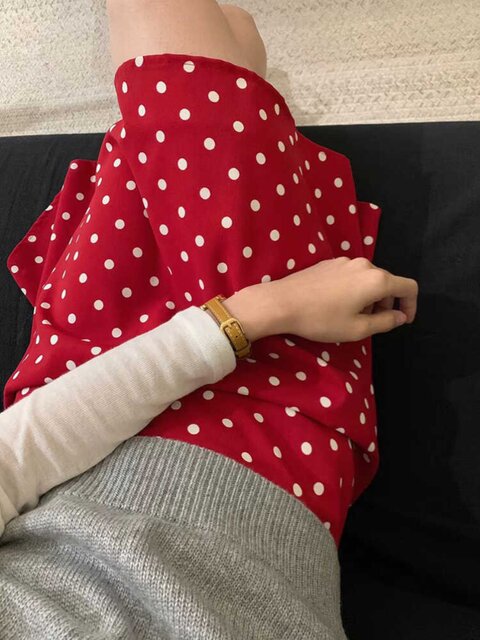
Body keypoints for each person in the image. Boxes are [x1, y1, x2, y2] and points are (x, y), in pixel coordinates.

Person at [0, 1, 418, 638]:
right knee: (221, 65)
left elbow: (15, 457)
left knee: (184, 65)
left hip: (93, 394)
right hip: (276, 444)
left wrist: (269, 307)